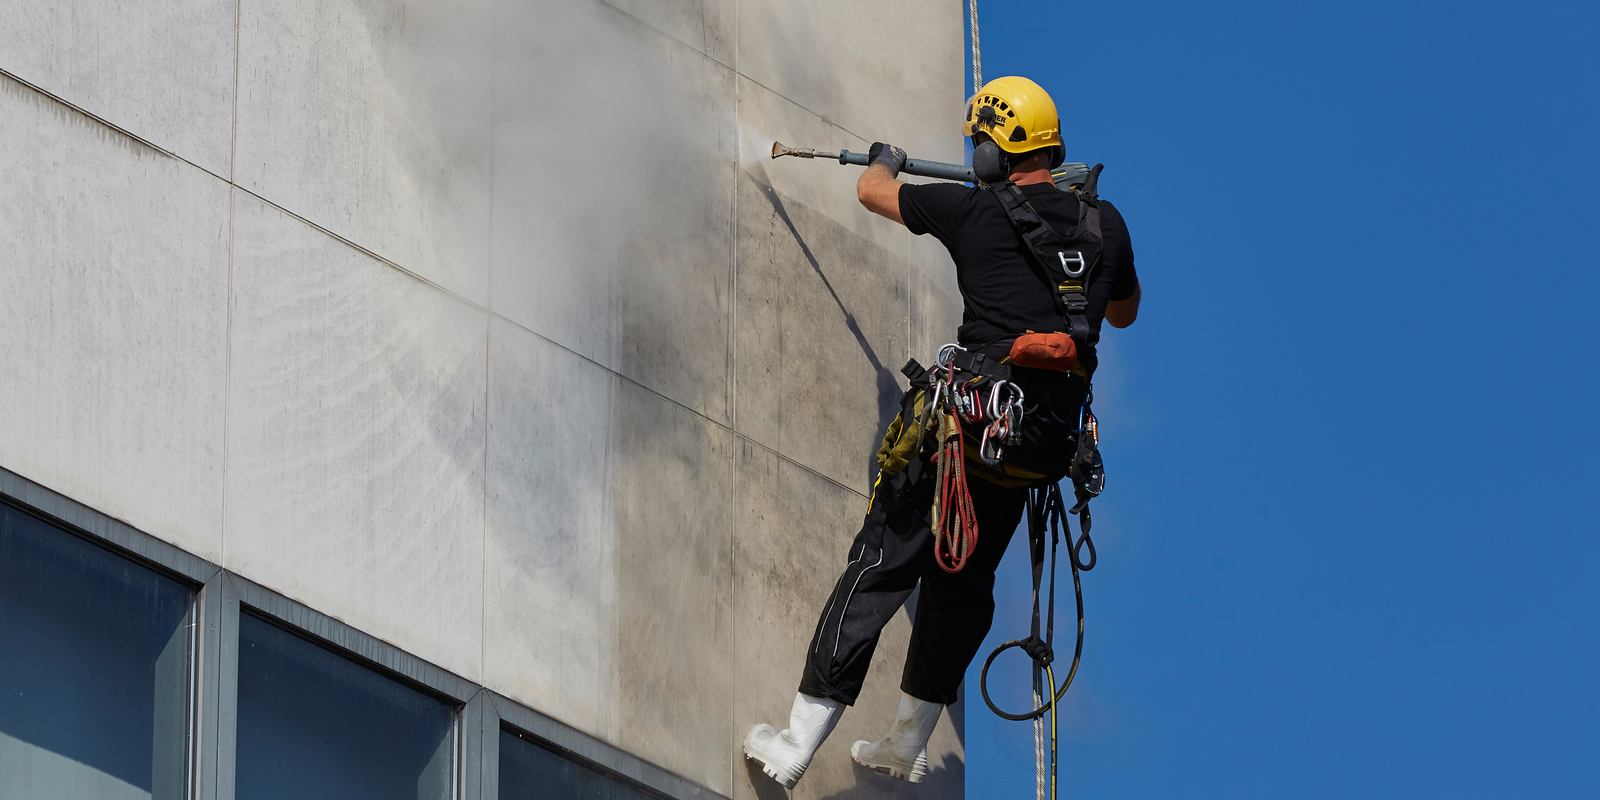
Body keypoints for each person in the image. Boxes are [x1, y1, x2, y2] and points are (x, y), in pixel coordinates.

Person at [744, 76, 1142, 789]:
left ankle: (797, 741)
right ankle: (905, 742)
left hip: (966, 433)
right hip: (1030, 451)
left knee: (880, 566)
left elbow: (872, 192)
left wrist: (886, 158)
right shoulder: (1105, 223)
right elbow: (1123, 311)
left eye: (978, 143)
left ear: (994, 150)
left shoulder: (972, 211)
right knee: (961, 588)